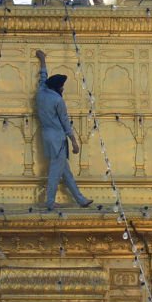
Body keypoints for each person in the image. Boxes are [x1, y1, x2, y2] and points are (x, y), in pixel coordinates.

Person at [34, 49, 93, 210]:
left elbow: (43, 78)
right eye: (62, 87)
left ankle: (80, 199)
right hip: (58, 139)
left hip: (47, 135)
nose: (63, 89)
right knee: (55, 171)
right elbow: (65, 122)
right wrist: (74, 141)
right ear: (58, 88)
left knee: (66, 172)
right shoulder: (57, 100)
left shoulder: (41, 93)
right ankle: (50, 201)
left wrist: (43, 61)